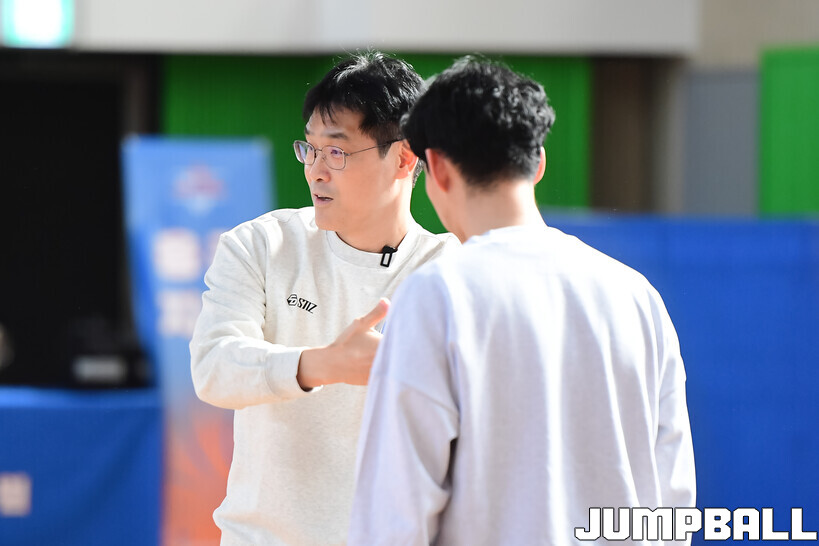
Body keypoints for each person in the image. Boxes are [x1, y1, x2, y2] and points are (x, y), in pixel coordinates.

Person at [349, 57, 696, 545]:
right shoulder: (636, 295)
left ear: (439, 169)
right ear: (538, 164)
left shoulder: (438, 294)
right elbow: (673, 499)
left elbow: (394, 516)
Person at [190, 51, 458, 545]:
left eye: (336, 152)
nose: (315, 170)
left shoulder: (449, 270)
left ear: (404, 157)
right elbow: (214, 368)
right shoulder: (261, 244)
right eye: (309, 149)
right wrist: (324, 365)